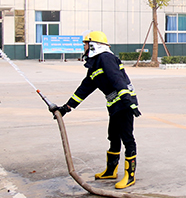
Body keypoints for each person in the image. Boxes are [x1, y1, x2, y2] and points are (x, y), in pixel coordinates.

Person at [51, 31, 141, 189]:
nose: (84, 47)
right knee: (113, 136)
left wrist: (128, 101)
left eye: (86, 44)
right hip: (114, 104)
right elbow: (84, 89)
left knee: (127, 138)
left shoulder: (106, 59)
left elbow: (117, 78)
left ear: (93, 45)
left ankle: (130, 175)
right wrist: (67, 107)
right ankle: (111, 171)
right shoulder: (95, 65)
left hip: (124, 103)